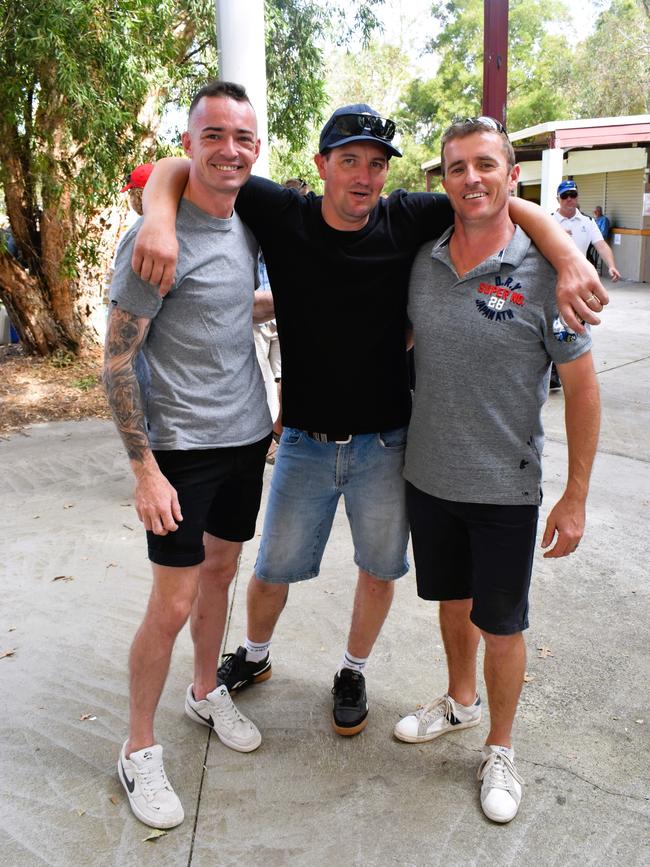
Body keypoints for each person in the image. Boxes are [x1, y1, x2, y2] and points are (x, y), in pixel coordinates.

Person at [131, 102, 608, 741]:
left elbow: (497, 203)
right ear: (321, 164)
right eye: (349, 159)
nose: (363, 175)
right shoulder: (282, 213)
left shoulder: (408, 216)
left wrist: (568, 255)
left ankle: (352, 669)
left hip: (388, 443)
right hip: (301, 440)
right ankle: (254, 651)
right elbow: (179, 166)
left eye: (377, 163)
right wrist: (159, 219)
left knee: (379, 569)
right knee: (271, 568)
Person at [393, 117, 601, 824]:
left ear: (514, 178)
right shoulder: (422, 262)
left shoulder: (548, 274)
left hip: (507, 489)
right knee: (453, 604)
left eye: (487, 164)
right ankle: (458, 701)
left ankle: (501, 746)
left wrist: (574, 497)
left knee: (502, 625)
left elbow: (582, 388)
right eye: (457, 167)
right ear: (443, 180)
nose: (471, 178)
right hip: (429, 477)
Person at [103, 80, 273, 830]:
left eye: (242, 136)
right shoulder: (151, 242)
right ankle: (138, 747)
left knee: (222, 573)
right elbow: (114, 361)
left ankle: (206, 690)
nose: (229, 149)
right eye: (213, 136)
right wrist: (143, 468)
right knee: (171, 603)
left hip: (245, 439)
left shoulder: (252, 223)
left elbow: (234, 301)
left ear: (256, 147)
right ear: (189, 145)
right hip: (180, 453)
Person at [254, 178, 312, 464]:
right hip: (258, 322)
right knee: (264, 381)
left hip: (283, 322)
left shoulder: (309, 235)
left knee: (282, 379)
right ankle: (267, 442)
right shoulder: (265, 228)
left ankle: (279, 433)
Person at [549, 179, 620, 389]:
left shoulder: (587, 222)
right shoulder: (549, 221)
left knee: (579, 326)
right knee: (552, 324)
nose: (570, 199)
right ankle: (553, 370)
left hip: (578, 282)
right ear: (558, 199)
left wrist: (612, 266)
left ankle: (576, 369)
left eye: (573, 195)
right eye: (565, 196)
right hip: (552, 281)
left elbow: (601, 245)